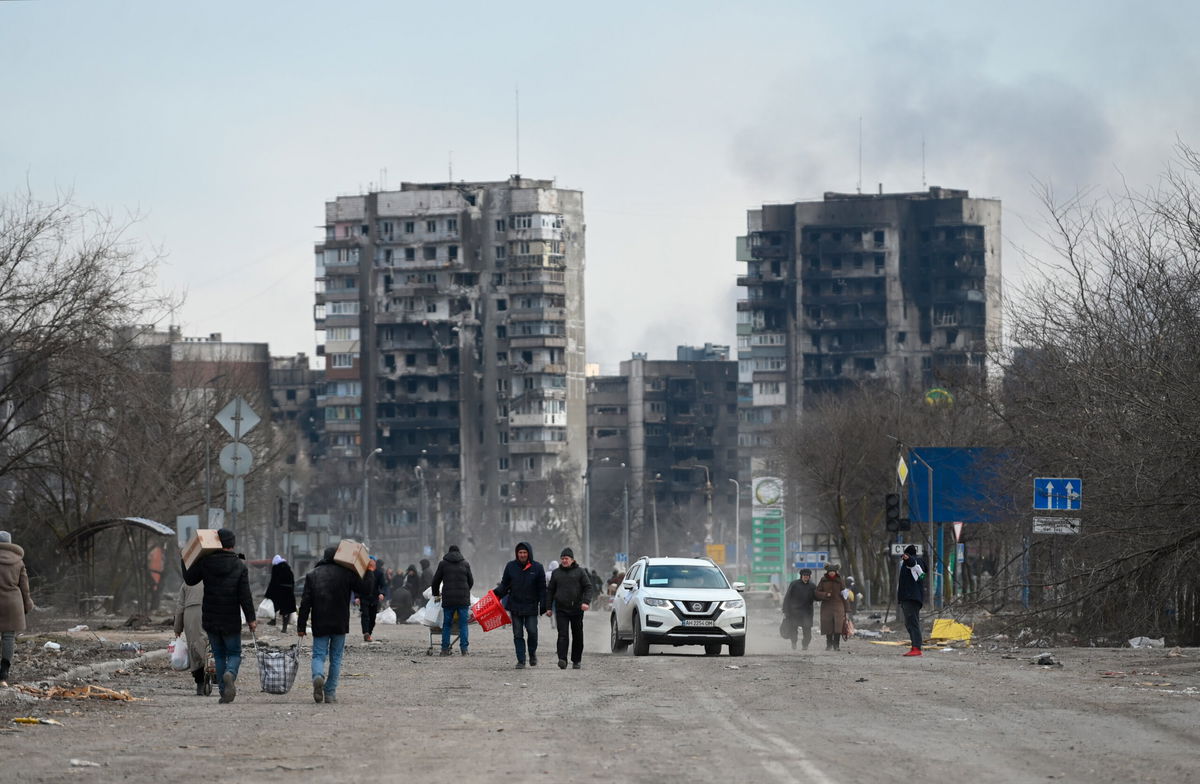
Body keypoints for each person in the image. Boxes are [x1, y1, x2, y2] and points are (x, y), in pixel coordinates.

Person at [182, 528, 256, 703]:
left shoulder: (206, 562)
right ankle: (231, 673)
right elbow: (245, 595)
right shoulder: (239, 565)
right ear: (233, 544)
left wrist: (184, 558)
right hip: (231, 618)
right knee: (235, 653)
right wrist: (251, 619)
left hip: (211, 618)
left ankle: (224, 692)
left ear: (217, 543)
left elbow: (190, 580)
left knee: (219, 654)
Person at [298, 545, 369, 703]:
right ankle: (329, 693)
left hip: (320, 623)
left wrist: (301, 627)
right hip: (340, 623)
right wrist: (364, 569)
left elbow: (305, 603)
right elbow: (365, 589)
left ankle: (318, 676)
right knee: (336, 658)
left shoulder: (312, 575)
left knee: (318, 655)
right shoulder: (346, 574)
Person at [494, 541, 546, 669]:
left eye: (524, 552)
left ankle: (532, 653)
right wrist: (495, 594)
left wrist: (544, 605)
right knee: (518, 634)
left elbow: (542, 589)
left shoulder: (537, 568)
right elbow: (504, 585)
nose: (522, 555)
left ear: (529, 554)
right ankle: (521, 660)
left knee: (532, 632)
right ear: (517, 554)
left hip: (531, 606)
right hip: (515, 606)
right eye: (520, 553)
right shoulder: (510, 566)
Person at [545, 548, 592, 669]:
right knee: (562, 634)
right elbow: (550, 591)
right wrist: (548, 607)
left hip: (577, 609)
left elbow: (588, 587)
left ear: (572, 560)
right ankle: (562, 659)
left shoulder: (580, 572)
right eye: (562, 558)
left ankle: (576, 660)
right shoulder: (556, 573)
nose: (564, 560)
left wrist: (586, 602)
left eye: (566, 558)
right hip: (561, 609)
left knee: (577, 635)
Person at [0, 531, 34, 687]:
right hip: (12, 603)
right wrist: (27, 604)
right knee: (8, 637)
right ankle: (4, 674)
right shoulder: (18, 562)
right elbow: (24, 587)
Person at [430, 545, 474, 656]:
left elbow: (435, 581)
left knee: (447, 624)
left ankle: (444, 649)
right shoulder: (465, 564)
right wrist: (465, 591)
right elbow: (471, 581)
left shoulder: (443, 564)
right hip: (463, 600)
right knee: (463, 624)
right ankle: (464, 650)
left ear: (448, 552)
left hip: (448, 599)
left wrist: (436, 594)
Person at [173, 580, 208, 695]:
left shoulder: (187, 582)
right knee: (212, 643)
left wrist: (177, 628)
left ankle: (200, 682)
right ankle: (215, 672)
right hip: (212, 609)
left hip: (191, 613)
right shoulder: (214, 575)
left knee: (195, 645)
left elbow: (180, 607)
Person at [898, 545, 927, 657]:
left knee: (912, 622)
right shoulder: (918, 562)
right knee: (909, 622)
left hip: (910, 597)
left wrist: (907, 558)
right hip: (911, 597)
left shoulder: (914, 561)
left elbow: (912, 562)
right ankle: (915, 646)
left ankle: (916, 647)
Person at [813, 564, 848, 652]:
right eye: (830, 572)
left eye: (833, 572)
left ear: (835, 572)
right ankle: (829, 645)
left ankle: (836, 645)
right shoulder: (823, 580)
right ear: (828, 572)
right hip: (826, 606)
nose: (832, 573)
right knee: (827, 626)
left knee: (838, 626)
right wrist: (825, 594)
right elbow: (817, 592)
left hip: (838, 606)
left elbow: (845, 595)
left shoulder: (840, 580)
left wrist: (847, 608)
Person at [782, 568, 817, 651]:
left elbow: (816, 596)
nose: (806, 577)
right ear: (801, 576)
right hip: (794, 612)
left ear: (809, 577)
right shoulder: (794, 584)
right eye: (804, 576)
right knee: (793, 629)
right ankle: (793, 642)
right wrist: (785, 610)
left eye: (807, 576)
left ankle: (805, 645)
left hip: (807, 612)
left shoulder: (812, 586)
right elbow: (787, 597)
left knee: (807, 631)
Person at [264, 555, 297, 633]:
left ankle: (273, 621)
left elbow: (273, 581)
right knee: (286, 610)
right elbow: (292, 581)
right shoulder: (288, 568)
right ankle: (284, 628)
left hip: (278, 591)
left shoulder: (276, 568)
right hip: (288, 592)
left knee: (274, 606)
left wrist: (268, 593)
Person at [357, 557, 383, 642]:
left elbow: (383, 585)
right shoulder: (362, 573)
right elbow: (357, 585)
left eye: (373, 564)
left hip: (374, 598)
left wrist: (381, 593)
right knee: (365, 615)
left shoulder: (379, 573)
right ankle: (366, 633)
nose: (371, 565)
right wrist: (357, 597)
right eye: (370, 564)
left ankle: (369, 632)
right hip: (364, 597)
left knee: (372, 617)